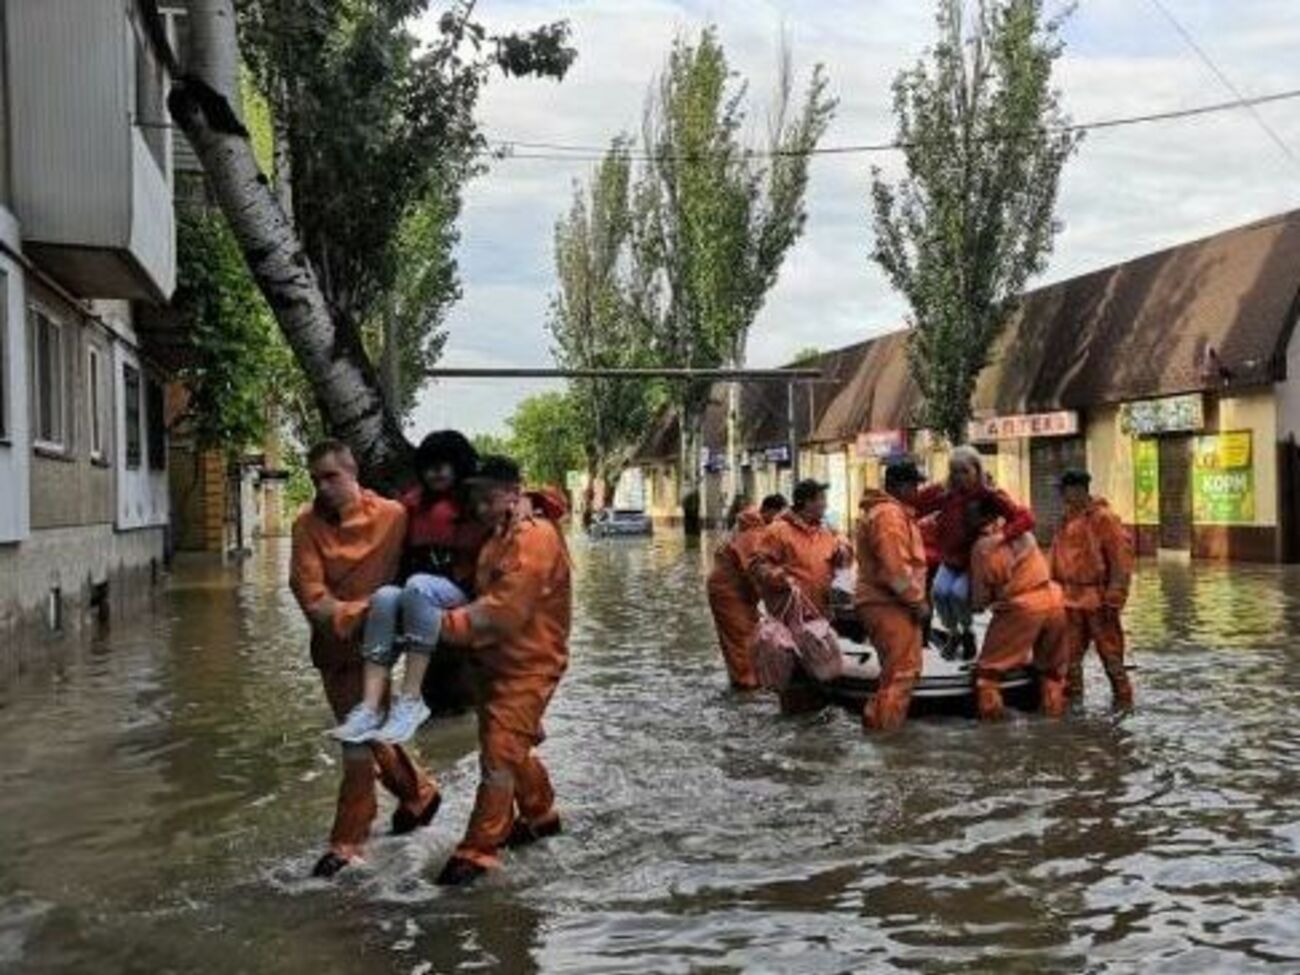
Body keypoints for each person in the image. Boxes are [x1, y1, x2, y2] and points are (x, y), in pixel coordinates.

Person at [288, 440, 441, 879]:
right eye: (315, 479)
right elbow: (311, 598)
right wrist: (367, 611)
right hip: (334, 646)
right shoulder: (305, 523)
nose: (323, 486)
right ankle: (420, 794)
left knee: (356, 744)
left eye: (331, 476)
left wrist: (529, 503)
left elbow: (453, 512)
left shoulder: (394, 514)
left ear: (353, 471)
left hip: (377, 647)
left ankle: (348, 842)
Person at [434, 456, 573, 886]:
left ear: (513, 494)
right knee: (508, 746)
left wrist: (437, 626)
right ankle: (540, 814)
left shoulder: (533, 538)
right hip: (497, 661)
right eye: (475, 499)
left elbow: (502, 612)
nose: (479, 507)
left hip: (528, 664)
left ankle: (478, 852)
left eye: (488, 498)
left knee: (497, 755)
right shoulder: (499, 533)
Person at [330, 431, 486, 744]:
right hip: (418, 596)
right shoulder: (412, 505)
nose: (436, 473)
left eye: (444, 465)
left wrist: (526, 502)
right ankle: (371, 706)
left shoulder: (476, 500)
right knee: (385, 596)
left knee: (417, 586)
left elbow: (524, 499)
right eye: (430, 466)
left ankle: (410, 699)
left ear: (459, 465)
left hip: (459, 595)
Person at [914, 445, 1036, 656]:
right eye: (955, 471)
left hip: (973, 561)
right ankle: (953, 633)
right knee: (939, 593)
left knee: (959, 595)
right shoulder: (944, 493)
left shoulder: (989, 495)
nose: (960, 477)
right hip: (950, 559)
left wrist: (1002, 536)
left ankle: (967, 632)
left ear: (977, 471)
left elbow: (1025, 518)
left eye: (965, 471)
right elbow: (916, 504)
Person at [968, 495, 1069, 720]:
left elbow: (980, 599)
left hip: (1022, 606)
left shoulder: (982, 547)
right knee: (1051, 673)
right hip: (1054, 599)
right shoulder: (1024, 534)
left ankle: (995, 738)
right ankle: (1055, 725)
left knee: (988, 675)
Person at [1049, 469, 1135, 709]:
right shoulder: (1065, 519)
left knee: (1111, 658)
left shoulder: (1103, 518)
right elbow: (1056, 560)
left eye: (1064, 490)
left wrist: (1115, 597)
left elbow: (1120, 559)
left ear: (1078, 489)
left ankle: (1123, 703)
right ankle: (1074, 710)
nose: (1061, 495)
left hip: (1099, 601)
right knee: (1070, 660)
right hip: (1070, 601)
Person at [855, 460, 930, 731]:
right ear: (901, 486)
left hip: (883, 602)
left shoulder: (887, 513)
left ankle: (879, 730)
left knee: (894, 675)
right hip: (889, 604)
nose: (917, 491)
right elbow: (894, 569)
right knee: (901, 675)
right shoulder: (889, 516)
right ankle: (886, 739)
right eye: (914, 486)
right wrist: (916, 601)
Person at [707, 493, 789, 690]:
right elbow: (754, 571)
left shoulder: (751, 528)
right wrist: (774, 601)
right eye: (780, 516)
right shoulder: (753, 534)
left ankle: (746, 678)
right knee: (741, 637)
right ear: (770, 512)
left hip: (734, 591)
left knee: (747, 634)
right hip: (728, 593)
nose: (780, 522)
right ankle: (746, 683)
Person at [750, 480, 853, 618]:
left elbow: (844, 559)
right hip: (789, 615)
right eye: (821, 499)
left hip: (821, 615)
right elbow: (757, 565)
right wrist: (780, 578)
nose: (826, 505)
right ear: (807, 502)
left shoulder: (826, 531)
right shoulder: (777, 531)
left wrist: (843, 551)